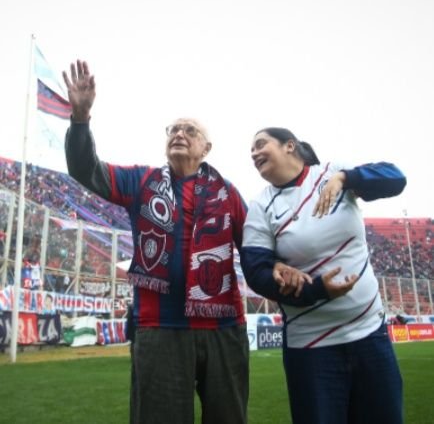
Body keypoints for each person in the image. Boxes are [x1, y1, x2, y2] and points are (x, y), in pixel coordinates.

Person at [62, 60, 249, 424]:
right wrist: (80, 119)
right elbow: (86, 170)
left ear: (206, 147)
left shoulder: (228, 194)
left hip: (224, 329)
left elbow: (255, 253)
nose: (179, 133)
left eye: (189, 130)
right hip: (159, 328)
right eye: (174, 129)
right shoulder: (141, 182)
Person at [240, 127, 407, 424]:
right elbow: (256, 272)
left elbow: (395, 178)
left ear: (289, 145)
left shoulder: (332, 172)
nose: (253, 153)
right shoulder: (260, 205)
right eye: (251, 149)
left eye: (260, 144)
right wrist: (316, 290)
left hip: (370, 335)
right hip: (310, 348)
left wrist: (346, 179)